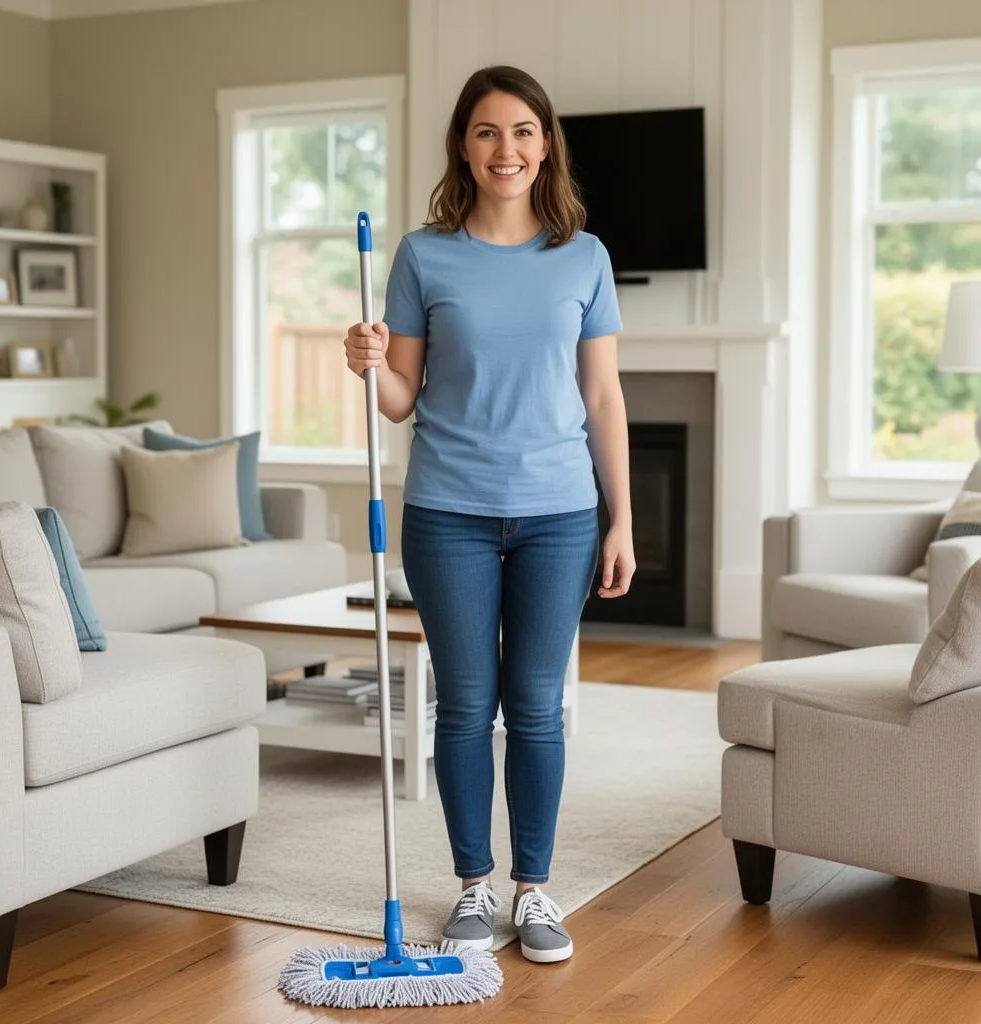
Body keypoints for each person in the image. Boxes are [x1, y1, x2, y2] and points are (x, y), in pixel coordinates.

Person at [344, 65, 634, 964]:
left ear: (545, 144)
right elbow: (400, 400)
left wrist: (620, 518)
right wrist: (368, 360)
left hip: (560, 515)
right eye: (485, 132)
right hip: (448, 512)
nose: (504, 149)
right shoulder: (422, 255)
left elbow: (604, 396)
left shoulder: (583, 256)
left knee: (536, 706)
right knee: (465, 706)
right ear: (462, 148)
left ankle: (534, 892)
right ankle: (474, 886)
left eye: (521, 131)